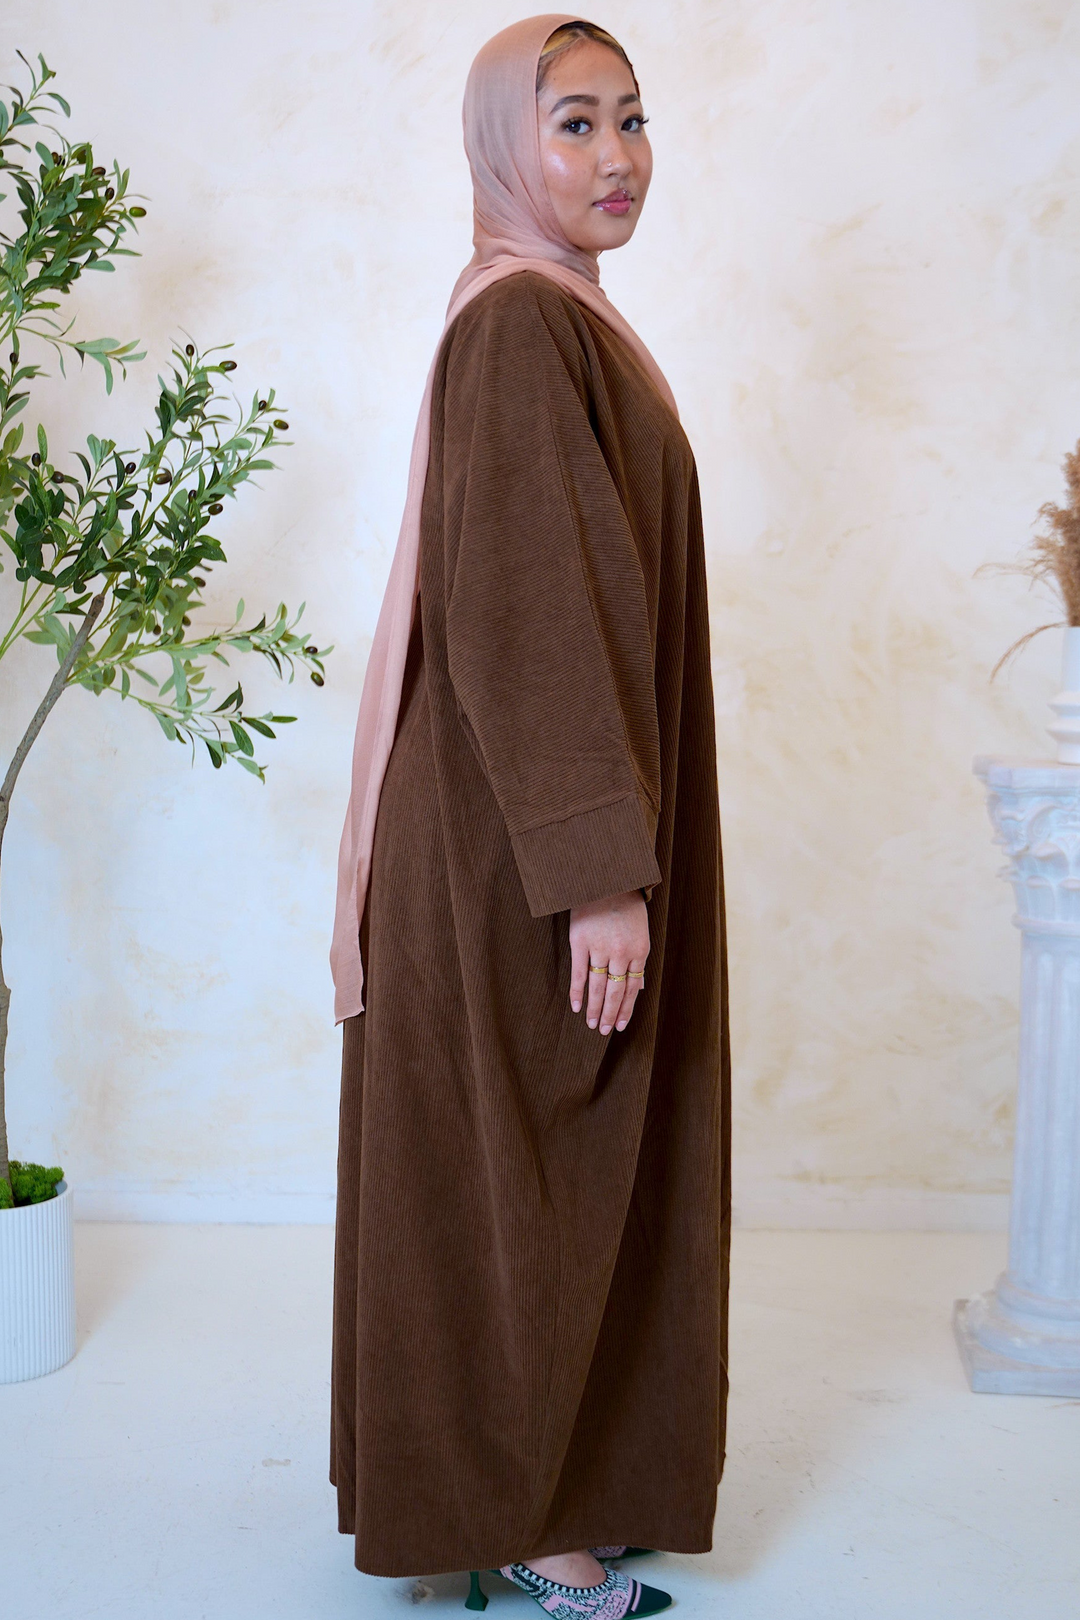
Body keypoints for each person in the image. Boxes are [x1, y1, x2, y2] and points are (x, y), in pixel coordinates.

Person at [328, 15, 731, 1618]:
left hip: (545, 826)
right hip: (519, 846)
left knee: (573, 1150)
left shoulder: (559, 317)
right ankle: (520, 1512)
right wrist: (597, 877)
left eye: (632, 121)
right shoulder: (517, 328)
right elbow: (528, 610)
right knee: (532, 1167)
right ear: (506, 147)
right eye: (574, 125)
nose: (618, 157)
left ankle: (567, 1472)